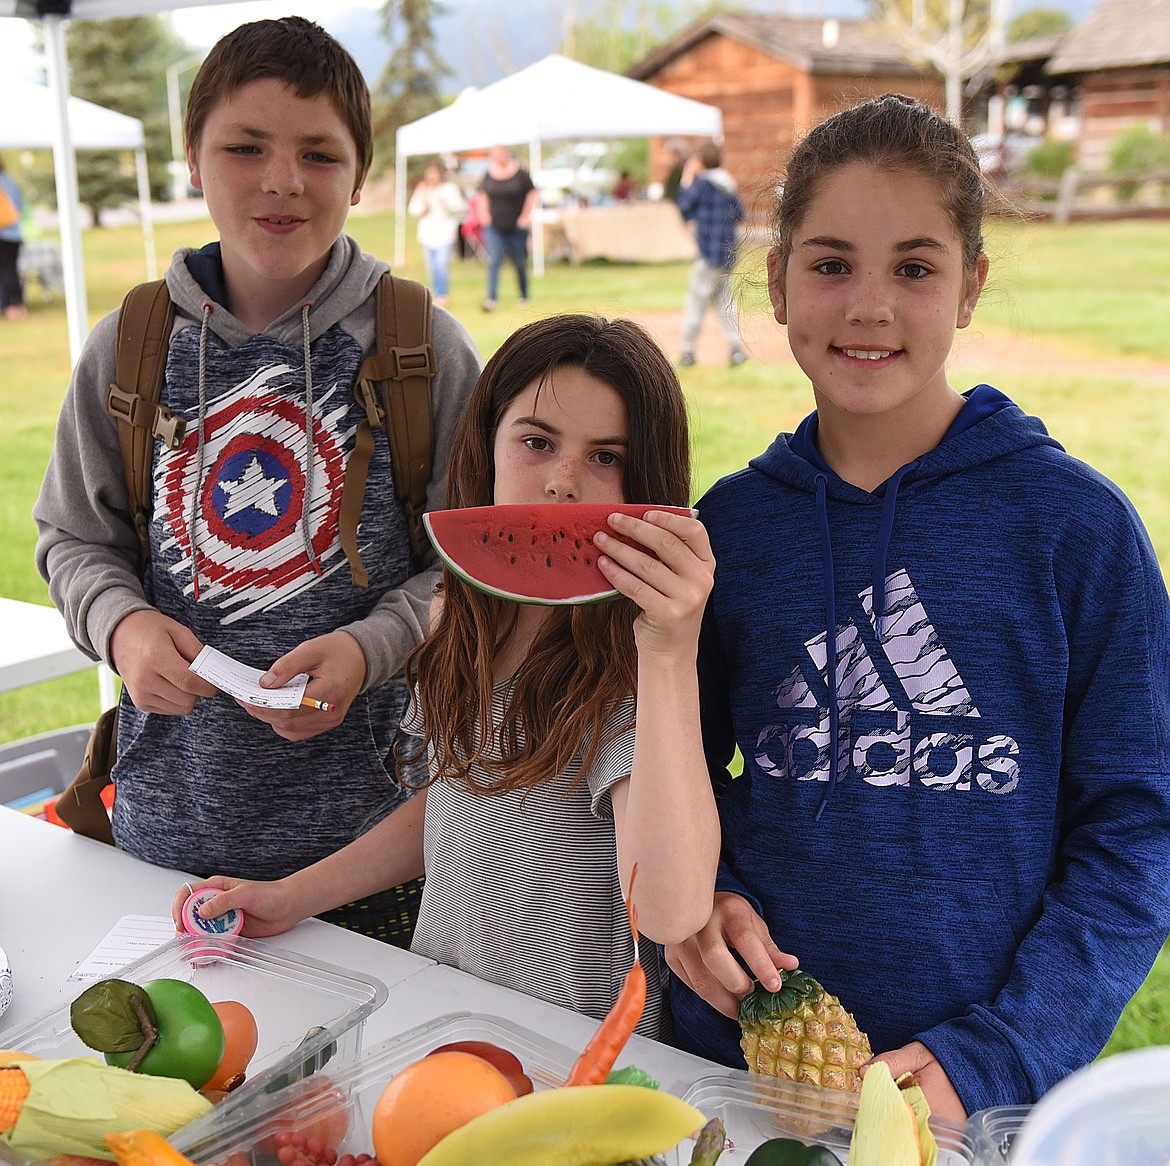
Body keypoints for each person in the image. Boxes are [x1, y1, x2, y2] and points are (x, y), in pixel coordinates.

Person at [666, 93, 1170, 1119]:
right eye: (831, 262)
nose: (869, 306)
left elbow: (1139, 830)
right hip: (735, 1064)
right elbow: (670, 773)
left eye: (915, 266)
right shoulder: (731, 528)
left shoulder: (1078, 530)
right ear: (775, 281)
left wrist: (1000, 1051)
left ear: (971, 285)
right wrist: (695, 899)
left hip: (974, 1097)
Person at [33, 17, 483, 944]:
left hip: (376, 858)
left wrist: (374, 647)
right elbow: (74, 539)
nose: (282, 180)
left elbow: (474, 569)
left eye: (318, 154)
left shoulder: (420, 350)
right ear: (192, 161)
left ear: (361, 175)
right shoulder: (130, 347)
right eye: (245, 147)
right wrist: (120, 627)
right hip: (163, 841)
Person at [175, 313, 720, 1038]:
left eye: (606, 457)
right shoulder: (456, 615)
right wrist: (291, 895)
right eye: (536, 441)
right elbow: (456, 801)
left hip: (574, 1054)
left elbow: (669, 907)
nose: (561, 482)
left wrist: (669, 651)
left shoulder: (632, 661)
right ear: (485, 446)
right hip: (440, 1018)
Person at [676, 142, 747, 369]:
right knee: (725, 303)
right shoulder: (727, 183)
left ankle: (687, 351)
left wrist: (687, 178)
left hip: (708, 254)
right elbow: (741, 213)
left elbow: (684, 205)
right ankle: (736, 350)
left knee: (696, 302)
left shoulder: (703, 184)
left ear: (702, 161)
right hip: (727, 254)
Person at [477, 145, 537, 313]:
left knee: (519, 261)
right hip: (495, 226)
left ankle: (524, 295)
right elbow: (482, 195)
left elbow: (532, 193)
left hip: (516, 226)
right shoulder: (488, 175)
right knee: (494, 260)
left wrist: (525, 216)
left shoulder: (521, 174)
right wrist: (485, 217)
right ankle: (491, 298)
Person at [407, 161, 467, 307]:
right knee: (432, 267)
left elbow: (461, 207)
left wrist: (446, 203)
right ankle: (434, 293)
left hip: (445, 233)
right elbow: (413, 210)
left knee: (441, 264)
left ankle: (443, 294)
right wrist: (423, 206)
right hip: (427, 234)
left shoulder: (449, 189)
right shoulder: (423, 190)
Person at [0, 157, 27, 320]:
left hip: (3, 234)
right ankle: (17, 305)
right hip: (14, 234)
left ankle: (9, 306)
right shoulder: (10, 182)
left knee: (5, 271)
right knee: (11, 270)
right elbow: (20, 207)